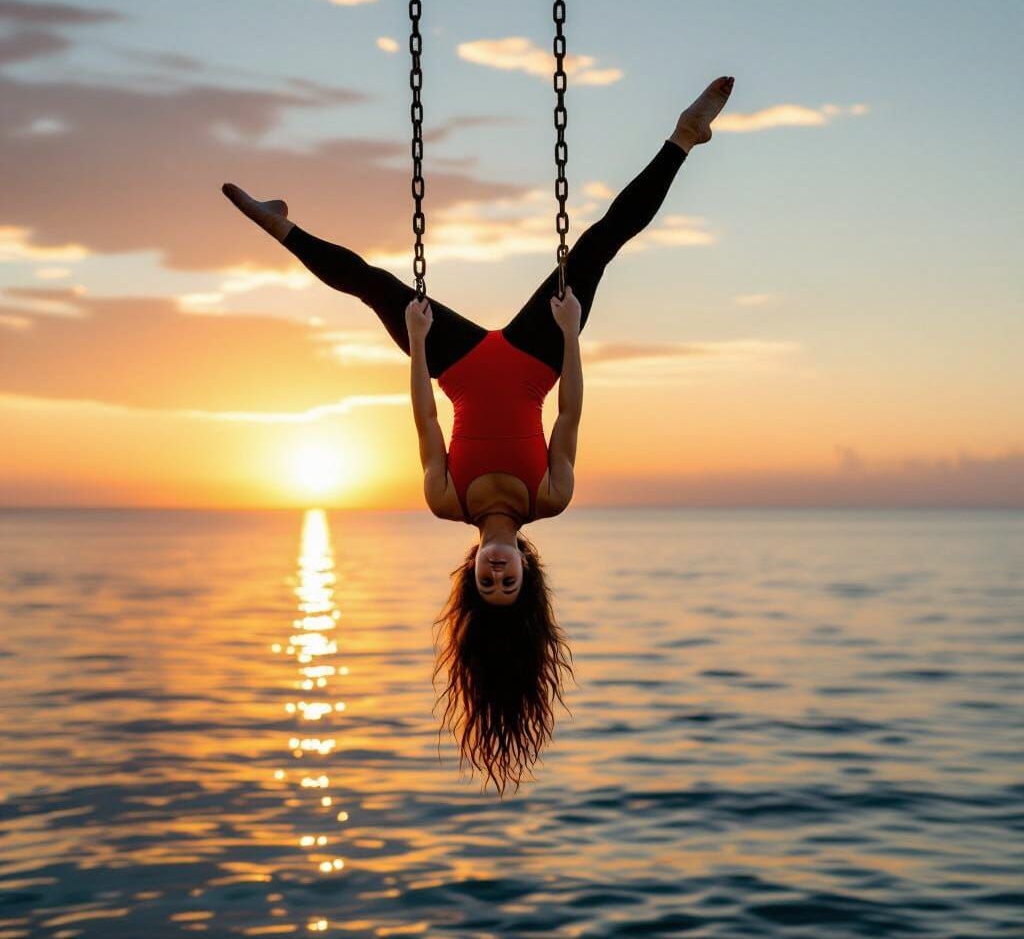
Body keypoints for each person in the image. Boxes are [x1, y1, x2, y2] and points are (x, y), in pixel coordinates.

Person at [222, 75, 734, 792]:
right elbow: (573, 412)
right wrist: (570, 332)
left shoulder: (446, 501)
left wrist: (420, 345)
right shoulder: (550, 499)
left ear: (474, 575)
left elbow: (427, 420)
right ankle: (685, 136)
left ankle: (280, 226)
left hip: (458, 368)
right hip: (536, 359)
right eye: (508, 583)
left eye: (486, 583)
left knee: (373, 285)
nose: (497, 574)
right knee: (599, 243)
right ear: (525, 576)